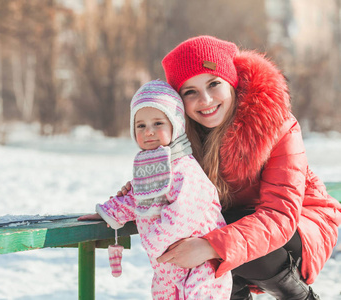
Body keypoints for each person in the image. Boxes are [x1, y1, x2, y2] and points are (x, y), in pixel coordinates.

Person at [118, 35, 341, 300]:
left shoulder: (275, 124)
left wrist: (210, 246)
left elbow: (279, 216)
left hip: (299, 225)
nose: (206, 100)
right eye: (191, 92)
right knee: (210, 231)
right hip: (233, 224)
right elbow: (180, 192)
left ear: (231, 82)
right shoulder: (180, 140)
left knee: (221, 231)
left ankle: (300, 297)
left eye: (214, 84)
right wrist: (135, 196)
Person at [78, 79, 232, 299]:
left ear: (176, 125)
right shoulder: (150, 167)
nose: (148, 132)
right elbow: (137, 199)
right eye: (141, 126)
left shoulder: (185, 169)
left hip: (201, 265)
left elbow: (182, 215)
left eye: (158, 124)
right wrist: (108, 213)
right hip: (167, 268)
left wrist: (153, 241)